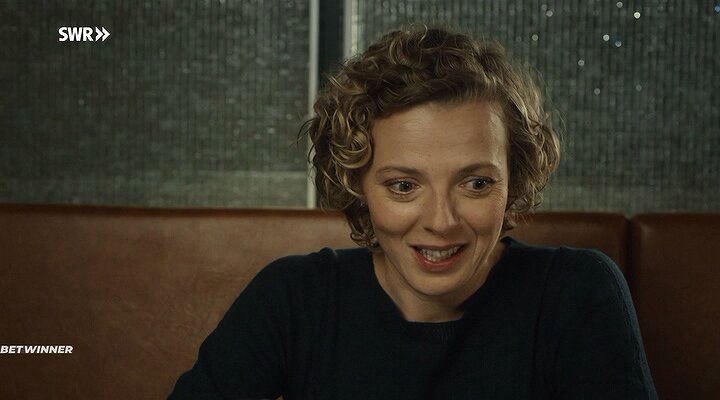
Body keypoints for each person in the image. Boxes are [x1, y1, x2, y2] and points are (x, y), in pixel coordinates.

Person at [168, 25, 657, 399]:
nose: (442, 221)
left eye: (476, 183)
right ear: (357, 185)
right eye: (403, 186)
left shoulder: (576, 292)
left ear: (514, 181)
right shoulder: (294, 299)